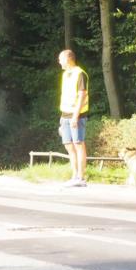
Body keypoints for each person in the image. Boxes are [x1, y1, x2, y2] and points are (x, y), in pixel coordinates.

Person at [58, 49, 89, 187]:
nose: (59, 62)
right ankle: (74, 175)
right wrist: (62, 116)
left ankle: (81, 178)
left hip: (77, 115)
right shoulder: (65, 74)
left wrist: (75, 116)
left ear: (68, 59)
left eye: (60, 59)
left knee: (78, 144)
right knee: (68, 145)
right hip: (65, 114)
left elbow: (82, 96)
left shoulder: (80, 73)